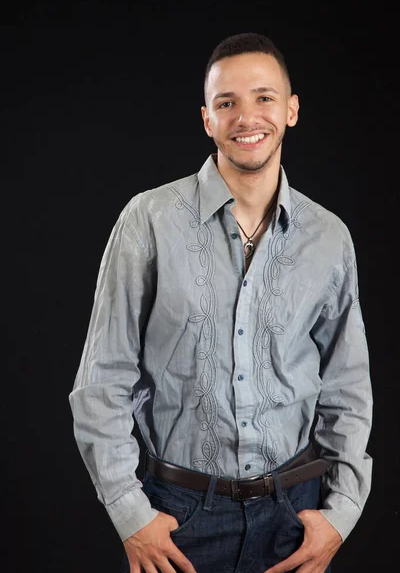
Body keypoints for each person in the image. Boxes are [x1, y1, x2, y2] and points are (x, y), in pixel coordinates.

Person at [69, 32, 373, 573]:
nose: (246, 117)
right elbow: (101, 383)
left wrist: (342, 512)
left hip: (294, 520)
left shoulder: (330, 237)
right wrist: (129, 512)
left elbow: (347, 388)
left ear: (292, 110)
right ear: (208, 118)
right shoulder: (148, 221)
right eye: (227, 102)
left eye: (264, 98)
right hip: (177, 521)